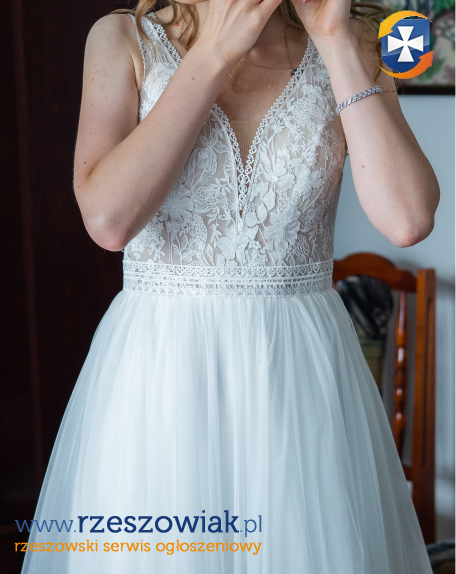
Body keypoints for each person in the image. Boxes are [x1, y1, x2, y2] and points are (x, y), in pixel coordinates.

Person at [22, 0, 440, 572]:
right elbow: (109, 223)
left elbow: (407, 219)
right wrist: (216, 52)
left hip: (302, 376)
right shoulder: (123, 39)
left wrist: (335, 39)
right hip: (163, 377)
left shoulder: (358, 42)